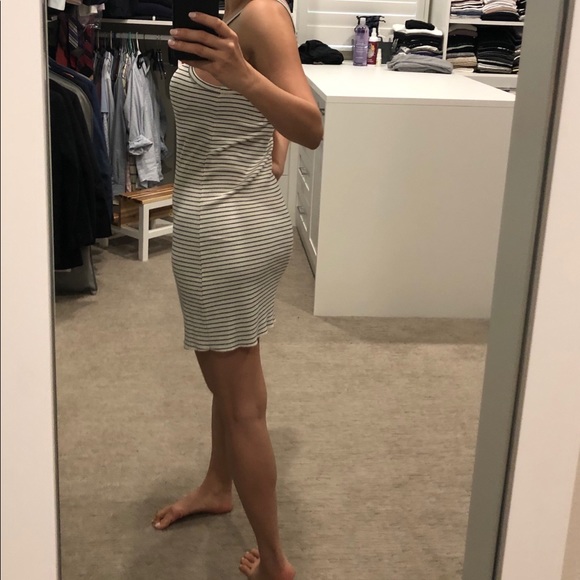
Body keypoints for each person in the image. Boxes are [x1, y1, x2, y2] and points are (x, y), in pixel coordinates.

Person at [150, 1, 323, 579]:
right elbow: (281, 112)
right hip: (240, 222)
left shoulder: (263, 13)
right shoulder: (230, 12)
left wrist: (244, 77)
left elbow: (311, 125)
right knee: (235, 381)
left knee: (242, 406)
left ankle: (275, 562)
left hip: (223, 237)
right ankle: (217, 484)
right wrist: (269, 146)